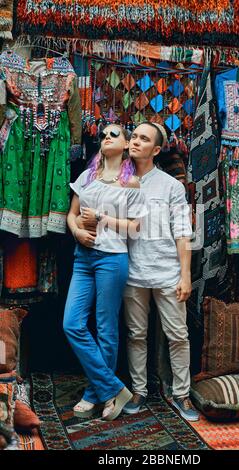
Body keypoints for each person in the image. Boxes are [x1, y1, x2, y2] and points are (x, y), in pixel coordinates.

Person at [63, 124, 147, 421]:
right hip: (83, 257)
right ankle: (112, 389)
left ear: (126, 145)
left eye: (114, 134)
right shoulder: (87, 177)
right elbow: (71, 215)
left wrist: (101, 218)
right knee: (72, 324)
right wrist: (76, 233)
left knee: (105, 327)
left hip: (112, 258)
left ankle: (94, 393)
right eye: (104, 135)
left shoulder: (132, 183)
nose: (106, 138)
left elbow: (136, 228)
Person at [123, 122, 200, 422]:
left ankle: (182, 393)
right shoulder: (119, 181)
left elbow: (183, 233)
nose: (135, 142)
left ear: (156, 150)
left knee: (178, 335)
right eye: (134, 136)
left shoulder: (171, 186)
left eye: (144, 139)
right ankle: (139, 390)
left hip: (167, 272)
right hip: (132, 273)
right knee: (135, 335)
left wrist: (185, 275)